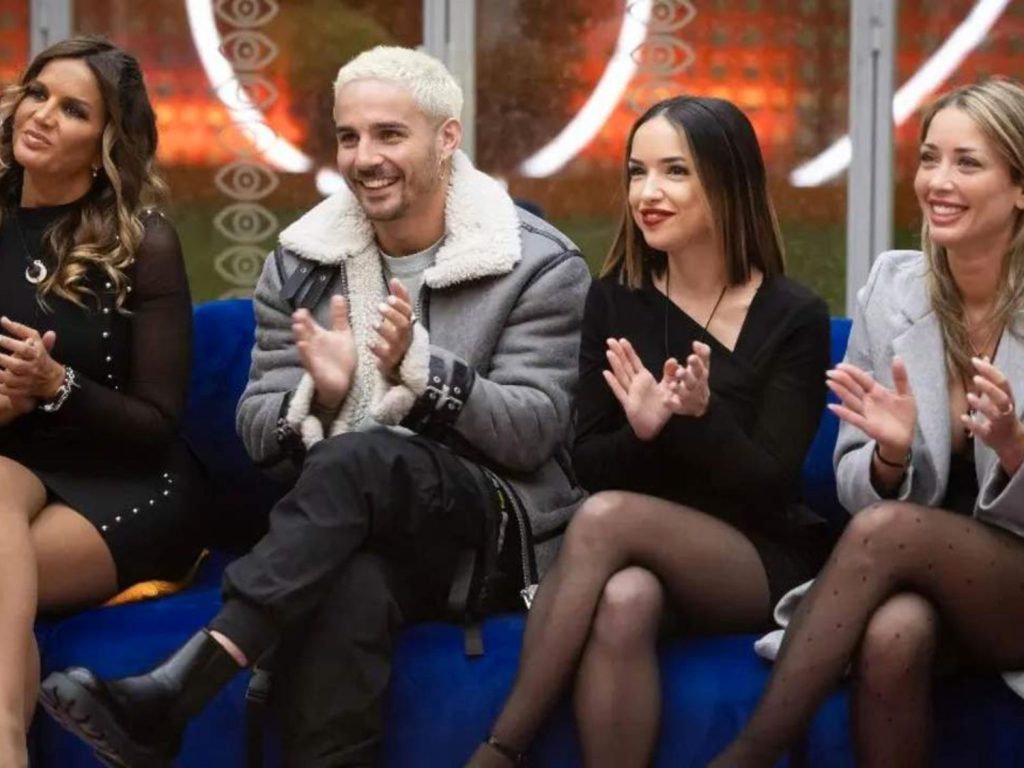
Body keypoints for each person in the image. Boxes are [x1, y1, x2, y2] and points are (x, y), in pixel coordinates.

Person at [40, 45, 589, 767]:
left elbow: (534, 431)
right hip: (355, 532)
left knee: (364, 456)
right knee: (345, 589)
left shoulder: (538, 263)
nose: (365, 158)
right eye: (349, 137)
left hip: (491, 531)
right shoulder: (300, 264)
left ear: (447, 138)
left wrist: (424, 375)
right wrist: (320, 400)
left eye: (390, 134)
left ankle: (182, 687)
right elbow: (256, 427)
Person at [468, 95, 832, 767]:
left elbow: (771, 484)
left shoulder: (793, 314)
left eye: (674, 171)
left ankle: (500, 749)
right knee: (624, 599)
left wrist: (696, 420)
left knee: (607, 518)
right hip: (635, 553)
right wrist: (642, 432)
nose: (647, 192)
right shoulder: (614, 298)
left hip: (757, 556)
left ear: (727, 181)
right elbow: (587, 463)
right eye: (637, 172)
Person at [710, 78, 1024, 768]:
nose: (938, 182)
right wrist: (890, 457)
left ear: (1019, 187)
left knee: (887, 531)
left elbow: (878, 528)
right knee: (892, 633)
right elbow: (857, 493)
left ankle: (749, 756)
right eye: (929, 158)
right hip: (923, 581)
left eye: (968, 163)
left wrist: (1015, 452)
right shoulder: (894, 287)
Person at [0, 35, 205, 766]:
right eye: (38, 94)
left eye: (74, 110)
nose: (43, 114)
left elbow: (155, 425)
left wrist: (55, 387)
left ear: (104, 146)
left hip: (128, 481)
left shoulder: (142, 243)